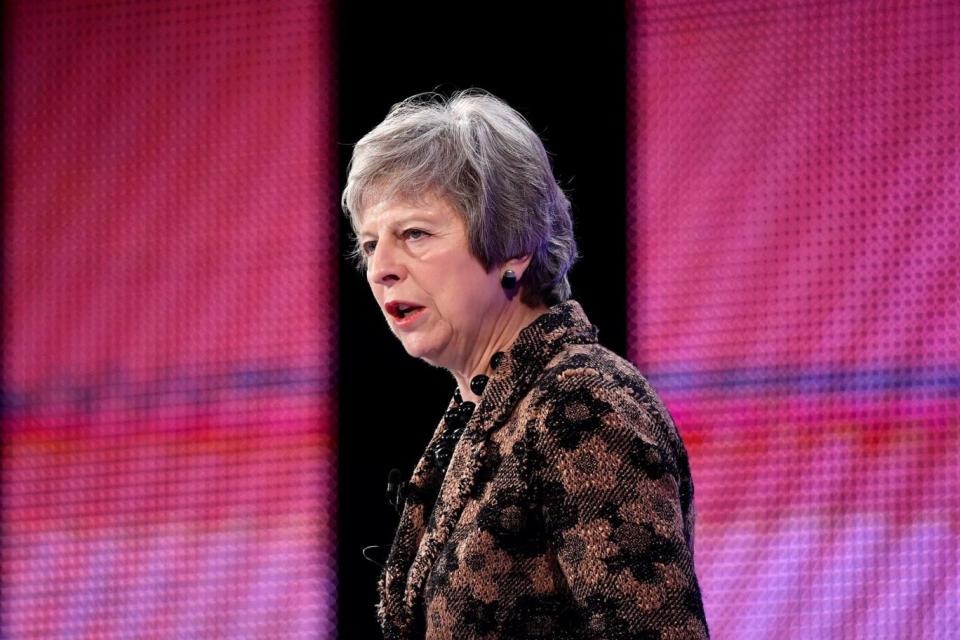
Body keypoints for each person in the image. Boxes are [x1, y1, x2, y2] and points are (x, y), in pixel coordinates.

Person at [341, 88, 709, 639]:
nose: (382, 269)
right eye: (371, 245)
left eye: (414, 234)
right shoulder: (488, 407)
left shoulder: (581, 404)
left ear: (512, 246)